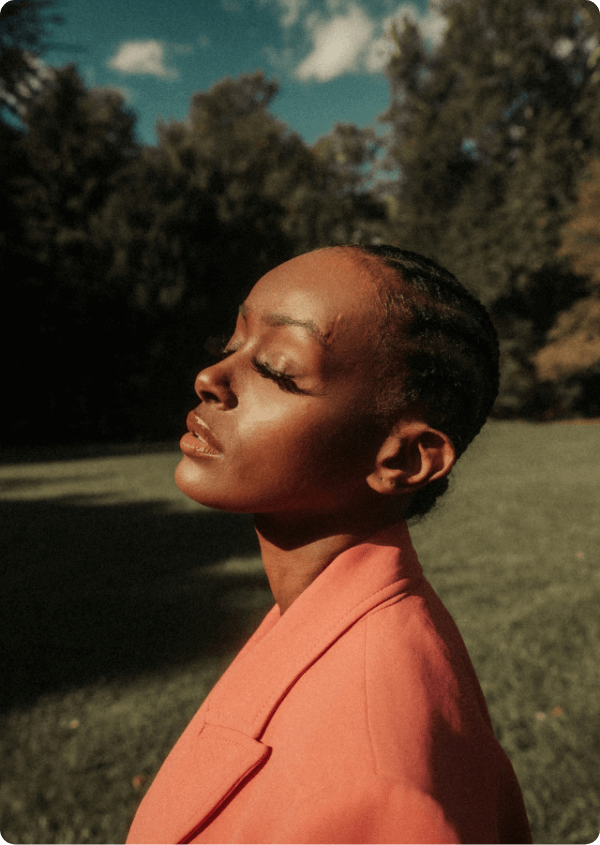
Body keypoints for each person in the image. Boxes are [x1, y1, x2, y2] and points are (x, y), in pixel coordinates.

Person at [125, 244, 532, 845]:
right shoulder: (316, 616)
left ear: (404, 458)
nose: (210, 379)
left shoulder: (378, 781)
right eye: (232, 344)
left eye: (278, 370)